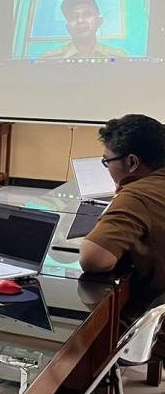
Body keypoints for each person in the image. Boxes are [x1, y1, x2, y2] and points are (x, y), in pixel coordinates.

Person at [80, 114, 165, 317]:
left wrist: (122, 194)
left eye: (107, 161)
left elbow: (93, 259)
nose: (107, 168)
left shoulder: (138, 196)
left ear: (132, 162)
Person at [41, 0, 127, 60]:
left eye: (87, 14)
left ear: (99, 21)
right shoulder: (50, 59)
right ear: (68, 28)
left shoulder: (119, 57)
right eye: (73, 17)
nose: (80, 20)